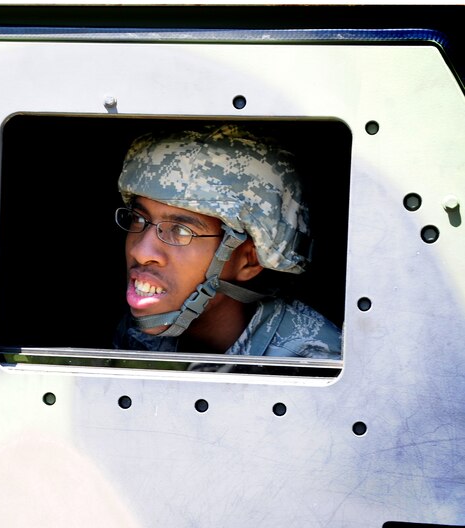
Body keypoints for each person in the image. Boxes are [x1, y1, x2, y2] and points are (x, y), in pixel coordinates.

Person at [112, 124, 342, 361]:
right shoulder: (140, 329)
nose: (141, 251)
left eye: (181, 231)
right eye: (139, 219)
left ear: (249, 260)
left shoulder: (309, 362)